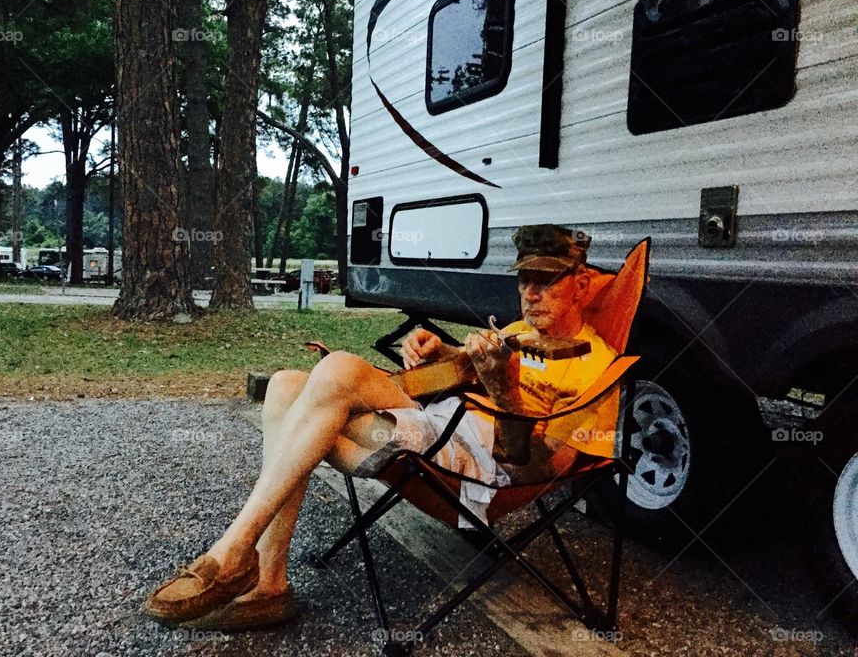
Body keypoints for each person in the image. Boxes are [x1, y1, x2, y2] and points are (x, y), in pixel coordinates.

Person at [143, 224, 617, 631]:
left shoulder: (600, 370)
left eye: (547, 281)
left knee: (335, 373)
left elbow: (537, 470)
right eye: (525, 280)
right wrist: (443, 353)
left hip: (474, 466)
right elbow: (460, 375)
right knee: (286, 386)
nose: (531, 294)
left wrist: (507, 393)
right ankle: (268, 581)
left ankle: (233, 554)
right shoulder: (516, 333)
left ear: (581, 284)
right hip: (437, 421)